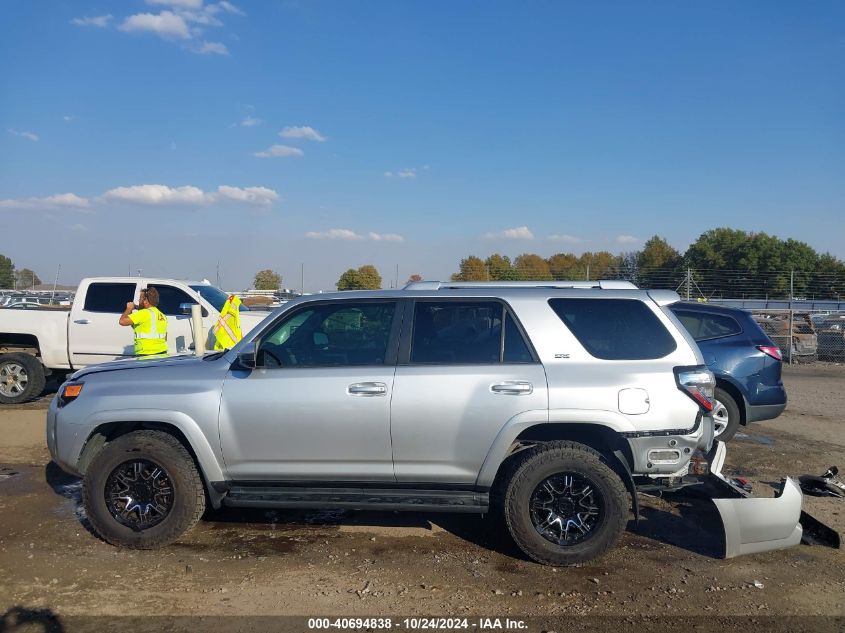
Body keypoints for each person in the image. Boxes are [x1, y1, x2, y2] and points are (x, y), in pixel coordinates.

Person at [119, 287, 168, 356]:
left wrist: (129, 309)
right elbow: (140, 327)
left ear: (145, 300)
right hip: (162, 353)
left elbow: (122, 321)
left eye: (140, 299)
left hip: (146, 354)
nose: (139, 301)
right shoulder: (162, 315)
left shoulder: (143, 313)